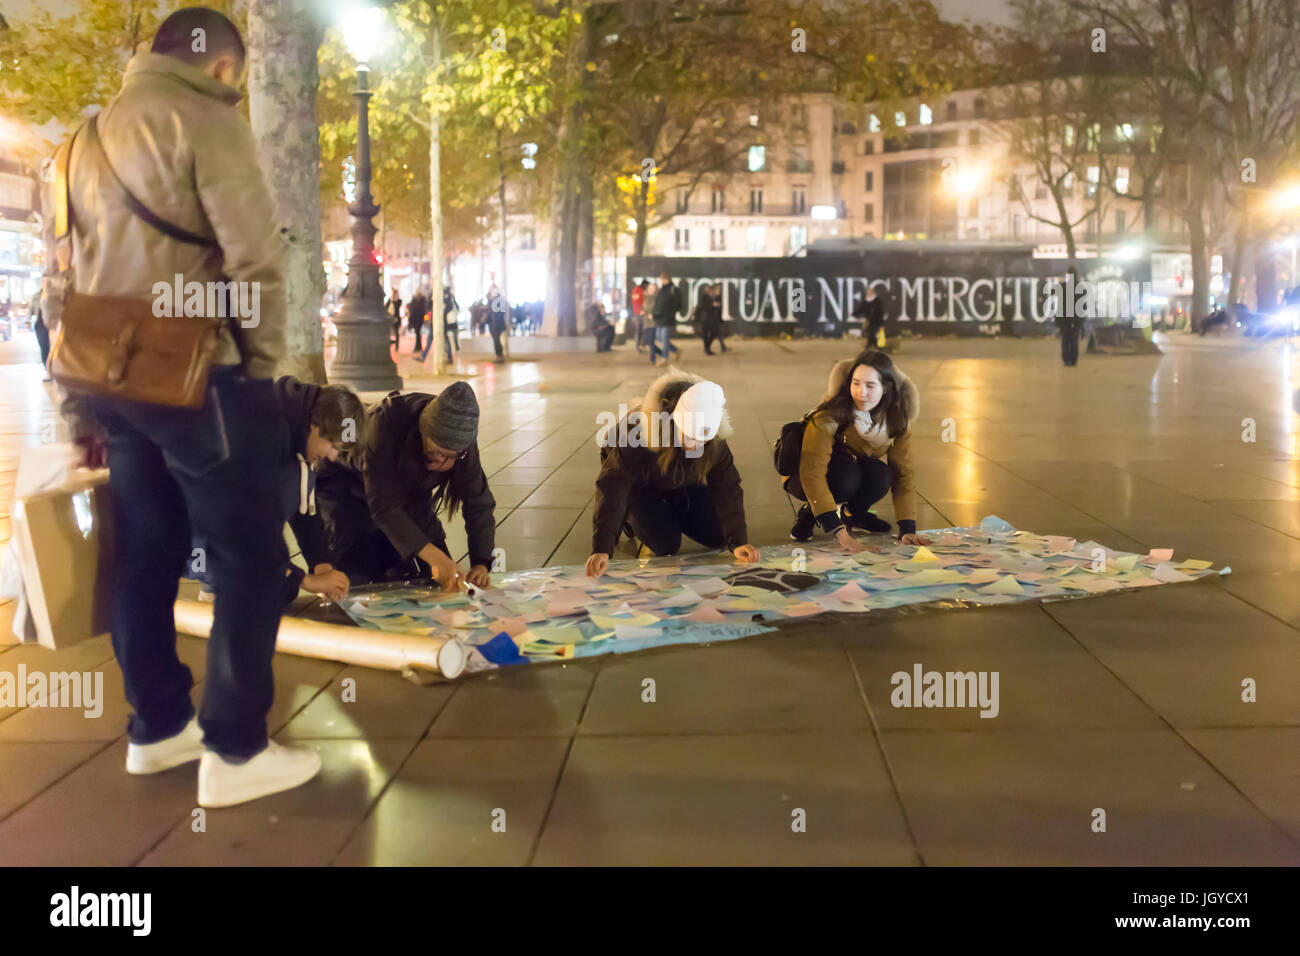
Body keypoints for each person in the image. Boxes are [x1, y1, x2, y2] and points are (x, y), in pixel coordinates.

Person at [41, 7, 320, 807]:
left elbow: (60, 286)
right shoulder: (207, 121)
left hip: (107, 380)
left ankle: (158, 728)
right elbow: (257, 258)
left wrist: (77, 414)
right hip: (197, 375)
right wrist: (264, 369)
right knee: (250, 560)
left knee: (145, 552)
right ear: (225, 68)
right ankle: (234, 751)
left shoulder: (79, 142)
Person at [313, 381, 496, 589]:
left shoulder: (462, 444)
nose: (438, 458)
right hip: (343, 487)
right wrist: (435, 558)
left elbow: (478, 502)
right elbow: (383, 507)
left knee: (431, 580)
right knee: (359, 580)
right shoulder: (386, 424)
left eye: (447, 456)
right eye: (433, 450)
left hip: (402, 492)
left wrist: (481, 563)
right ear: (423, 432)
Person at [586, 370, 760, 575]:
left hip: (679, 480)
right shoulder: (638, 434)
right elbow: (612, 488)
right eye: (687, 436)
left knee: (720, 536)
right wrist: (602, 548)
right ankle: (628, 516)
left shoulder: (714, 439)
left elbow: (727, 486)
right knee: (665, 544)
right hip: (639, 484)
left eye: (700, 440)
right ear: (672, 422)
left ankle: (671, 505)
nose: (693, 445)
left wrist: (739, 542)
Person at [785, 350, 931, 551]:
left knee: (881, 475)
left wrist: (908, 528)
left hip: (852, 466)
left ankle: (854, 513)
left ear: (886, 389)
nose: (861, 392)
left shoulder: (896, 419)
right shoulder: (830, 414)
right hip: (806, 475)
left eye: (870, 386)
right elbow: (812, 472)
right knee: (845, 477)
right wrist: (840, 533)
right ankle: (811, 512)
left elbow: (903, 474)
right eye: (856, 383)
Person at [649, 270, 681, 365]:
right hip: (660, 317)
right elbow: (658, 304)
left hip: (666, 317)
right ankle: (675, 350)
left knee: (664, 338)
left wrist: (670, 312)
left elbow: (674, 305)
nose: (661, 281)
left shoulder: (672, 290)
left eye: (662, 279)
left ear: (666, 279)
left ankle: (665, 357)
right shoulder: (662, 290)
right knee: (660, 338)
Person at [695, 283, 728, 355]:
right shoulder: (704, 297)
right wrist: (712, 305)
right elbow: (702, 307)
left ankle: (708, 348)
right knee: (706, 334)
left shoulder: (713, 297)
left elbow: (717, 308)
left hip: (711, 319)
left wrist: (714, 304)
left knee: (713, 333)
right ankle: (707, 349)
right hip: (705, 319)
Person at [487, 282, 507, 362]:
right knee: (495, 341)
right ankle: (498, 356)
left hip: (498, 324)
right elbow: (489, 312)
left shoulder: (500, 299)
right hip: (492, 324)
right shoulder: (491, 299)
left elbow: (502, 312)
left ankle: (500, 357)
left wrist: (497, 321)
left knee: (497, 340)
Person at [407, 288, 429, 354]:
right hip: (420, 319)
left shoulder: (416, 300)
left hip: (417, 319)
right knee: (418, 333)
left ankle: (418, 347)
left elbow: (412, 308)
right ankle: (419, 347)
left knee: (418, 333)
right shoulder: (422, 300)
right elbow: (425, 310)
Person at [630, 279, 649, 352]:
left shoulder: (641, 290)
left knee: (643, 329)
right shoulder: (637, 290)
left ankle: (641, 344)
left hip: (643, 313)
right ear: (644, 285)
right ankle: (638, 345)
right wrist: (639, 311)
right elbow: (636, 302)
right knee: (639, 329)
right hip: (639, 314)